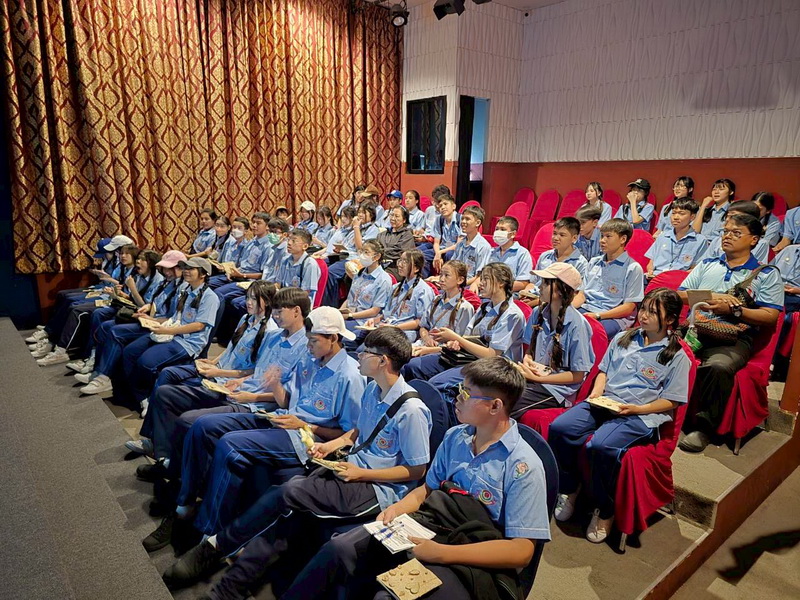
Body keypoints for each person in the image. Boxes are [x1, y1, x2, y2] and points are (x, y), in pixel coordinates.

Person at [166, 327, 431, 596]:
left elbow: (416, 470)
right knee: (286, 517)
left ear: (383, 361)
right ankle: (227, 589)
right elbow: (358, 432)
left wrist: (362, 474)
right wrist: (332, 445)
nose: (359, 356)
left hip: (377, 488)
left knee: (290, 490)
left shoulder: (412, 410)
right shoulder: (373, 389)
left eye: (366, 352)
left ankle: (217, 546)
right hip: (349, 466)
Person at [280, 356, 550, 600]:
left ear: (495, 406)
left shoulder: (523, 466)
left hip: (473, 554)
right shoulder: (456, 437)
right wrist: (396, 509)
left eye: (467, 393)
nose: (457, 397)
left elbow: (521, 551)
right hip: (434, 526)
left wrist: (443, 554)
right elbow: (427, 490)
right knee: (341, 548)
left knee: (391, 595)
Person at [143, 306, 367, 559]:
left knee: (230, 445)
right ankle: (183, 506)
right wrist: (275, 384)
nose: (308, 346)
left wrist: (307, 426)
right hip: (280, 419)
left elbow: (348, 435)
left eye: (313, 341)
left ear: (333, 338)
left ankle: (207, 532)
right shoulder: (310, 359)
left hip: (305, 439)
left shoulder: (350, 376)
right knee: (202, 427)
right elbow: (287, 402)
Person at [550, 288, 692, 543]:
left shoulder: (676, 355)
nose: (644, 315)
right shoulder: (624, 338)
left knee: (600, 446)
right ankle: (570, 488)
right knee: (560, 427)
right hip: (606, 402)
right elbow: (603, 371)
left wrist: (637, 409)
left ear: (670, 319)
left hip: (640, 415)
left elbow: (672, 400)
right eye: (643, 308)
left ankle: (605, 509)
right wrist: (596, 391)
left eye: (653, 312)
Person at [133, 280, 277, 463]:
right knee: (167, 374)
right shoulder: (246, 318)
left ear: (268, 301)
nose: (249, 302)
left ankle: (160, 449)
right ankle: (153, 440)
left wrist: (217, 372)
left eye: (255, 299)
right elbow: (231, 348)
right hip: (218, 370)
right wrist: (213, 362)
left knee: (168, 393)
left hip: (227, 382)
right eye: (248, 297)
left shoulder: (270, 331)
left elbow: (255, 371)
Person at [677, 213, 783, 452]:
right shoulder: (708, 264)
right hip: (696, 328)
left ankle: (704, 428)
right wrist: (712, 297)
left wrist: (735, 310)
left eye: (736, 233)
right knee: (661, 348)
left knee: (719, 367)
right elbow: (680, 294)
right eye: (725, 232)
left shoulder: (766, 273)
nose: (727, 237)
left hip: (734, 336)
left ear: (754, 240)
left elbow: (770, 316)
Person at [402, 262, 526, 392]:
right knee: (413, 366)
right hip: (469, 357)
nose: (481, 283)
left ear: (501, 283)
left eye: (486, 279)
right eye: (481, 279)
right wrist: (455, 343)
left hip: (496, 368)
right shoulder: (485, 307)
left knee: (437, 383)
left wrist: (457, 338)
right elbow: (468, 337)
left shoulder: (512, 315)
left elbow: (492, 355)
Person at [70, 250, 187, 385]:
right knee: (105, 326)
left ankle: (104, 377)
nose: (166, 272)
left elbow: (173, 317)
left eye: (170, 269)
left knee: (115, 331)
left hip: (160, 324)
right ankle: (97, 369)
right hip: (148, 318)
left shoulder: (179, 287)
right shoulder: (168, 283)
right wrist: (148, 307)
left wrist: (149, 315)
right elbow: (155, 303)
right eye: (164, 268)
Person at [120, 257, 220, 409]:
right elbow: (174, 318)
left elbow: (199, 326)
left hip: (187, 342)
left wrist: (168, 330)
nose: (186, 271)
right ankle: (137, 395)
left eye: (191, 268)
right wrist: (153, 320)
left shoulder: (210, 297)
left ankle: (148, 399)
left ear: (203, 274)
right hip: (171, 333)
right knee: (130, 351)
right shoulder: (185, 290)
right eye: (185, 268)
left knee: (146, 362)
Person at [516, 263, 594, 419]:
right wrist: (527, 359)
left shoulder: (578, 325)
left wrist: (537, 378)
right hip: (534, 378)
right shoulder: (537, 312)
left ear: (560, 289)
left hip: (556, 390)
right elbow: (530, 349)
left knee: (507, 400)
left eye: (545, 283)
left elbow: (577, 375)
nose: (539, 286)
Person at [576, 218, 645, 337]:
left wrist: (598, 315)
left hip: (613, 317)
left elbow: (629, 307)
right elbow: (582, 294)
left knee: (588, 332)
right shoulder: (594, 262)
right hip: (587, 308)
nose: (602, 240)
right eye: (602, 236)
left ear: (623, 239)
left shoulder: (633, 268)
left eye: (608, 236)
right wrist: (566, 309)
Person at [363, 250, 434, 343]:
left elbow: (420, 322)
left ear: (416, 268)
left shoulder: (423, 291)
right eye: (400, 260)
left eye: (405, 262)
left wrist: (395, 327)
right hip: (388, 328)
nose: (400, 265)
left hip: (405, 332)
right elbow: (386, 315)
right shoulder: (395, 287)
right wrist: (374, 320)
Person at [412, 260, 474, 358]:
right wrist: (426, 338)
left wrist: (430, 350)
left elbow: (461, 343)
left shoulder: (465, 308)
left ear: (460, 280)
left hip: (443, 353)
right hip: (424, 344)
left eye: (447, 275)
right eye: (441, 274)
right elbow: (423, 326)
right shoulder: (436, 300)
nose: (441, 279)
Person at [524, 217, 588, 299]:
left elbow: (576, 294)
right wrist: (525, 293)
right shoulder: (545, 256)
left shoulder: (581, 263)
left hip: (556, 301)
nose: (555, 238)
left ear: (574, 238)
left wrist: (539, 301)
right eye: (554, 233)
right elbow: (533, 283)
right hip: (535, 295)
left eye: (562, 235)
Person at [645, 198, 708, 277]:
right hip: (657, 277)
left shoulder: (700, 240)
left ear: (692, 217)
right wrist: (650, 272)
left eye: (681, 214)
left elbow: (696, 268)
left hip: (680, 279)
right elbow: (651, 262)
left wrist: (676, 277)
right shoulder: (662, 236)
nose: (676, 217)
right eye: (673, 213)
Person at [340, 240, 393, 333]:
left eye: (366, 252)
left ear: (377, 257)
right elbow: (349, 299)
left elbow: (375, 310)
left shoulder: (383, 280)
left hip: (364, 321)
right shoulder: (359, 274)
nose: (362, 255)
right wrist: (339, 312)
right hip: (349, 316)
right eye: (361, 251)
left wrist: (350, 316)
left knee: (333, 330)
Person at [698, 201, 769, 264]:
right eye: (727, 216)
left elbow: (757, 269)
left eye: (733, 216)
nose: (727, 219)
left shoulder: (761, 243)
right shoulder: (717, 241)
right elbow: (703, 264)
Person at [272, 229, 321, 304]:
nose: (289, 243)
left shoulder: (310, 264)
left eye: (294, 241)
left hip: (299, 303)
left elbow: (305, 293)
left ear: (305, 246)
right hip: (283, 300)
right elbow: (278, 284)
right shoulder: (285, 260)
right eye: (289, 239)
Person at [451, 206, 492, 291]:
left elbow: (479, 276)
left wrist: (457, 284)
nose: (463, 222)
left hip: (469, 285)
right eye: (462, 218)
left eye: (467, 219)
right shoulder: (460, 244)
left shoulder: (483, 246)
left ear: (477, 223)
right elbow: (452, 266)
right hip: (456, 282)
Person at [487, 216, 533, 292]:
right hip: (488, 292)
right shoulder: (491, 252)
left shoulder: (522, 253)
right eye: (497, 229)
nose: (498, 232)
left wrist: (498, 289)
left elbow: (523, 283)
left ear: (513, 234)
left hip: (509, 294)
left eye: (503, 229)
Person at [375, 206, 416, 277]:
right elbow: (375, 249)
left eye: (397, 216)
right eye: (392, 215)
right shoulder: (382, 234)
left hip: (396, 268)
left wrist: (382, 252)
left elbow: (400, 254)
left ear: (404, 220)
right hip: (379, 265)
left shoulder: (407, 235)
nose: (393, 218)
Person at [432, 194, 462, 272]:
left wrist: (440, 252)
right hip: (442, 249)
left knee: (450, 254)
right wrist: (438, 254)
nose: (443, 207)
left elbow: (458, 245)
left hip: (454, 250)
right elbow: (436, 242)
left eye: (445, 204)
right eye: (440, 206)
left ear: (453, 206)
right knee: (425, 254)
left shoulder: (461, 219)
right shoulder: (439, 219)